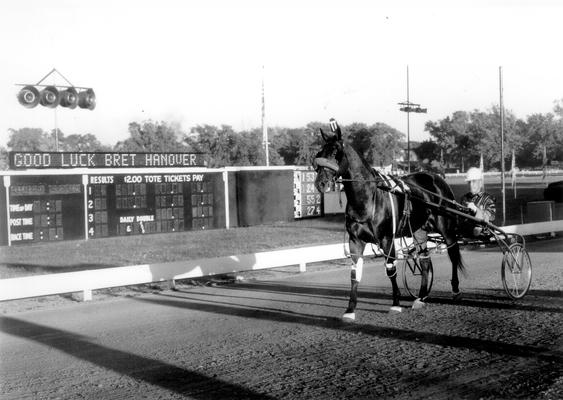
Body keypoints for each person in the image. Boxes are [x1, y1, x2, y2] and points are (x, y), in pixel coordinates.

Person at [459, 167, 496, 237]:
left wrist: (476, 210)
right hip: (465, 235)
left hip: (483, 235)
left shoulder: (488, 199)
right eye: (469, 182)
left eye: (474, 181)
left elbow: (490, 217)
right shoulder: (464, 198)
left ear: (480, 183)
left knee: (477, 229)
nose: (471, 185)